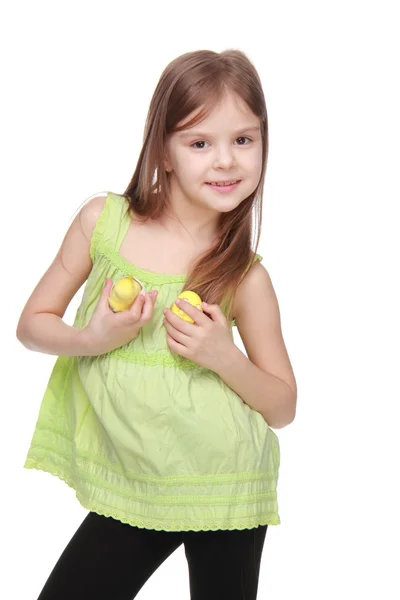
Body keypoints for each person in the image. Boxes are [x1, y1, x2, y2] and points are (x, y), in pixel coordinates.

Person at [16, 48, 297, 600]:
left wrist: (223, 355)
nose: (226, 161)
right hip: (134, 478)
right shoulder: (104, 223)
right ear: (163, 152)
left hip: (223, 485)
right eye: (199, 143)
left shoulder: (245, 276)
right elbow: (31, 324)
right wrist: (91, 339)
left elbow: (283, 407)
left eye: (244, 139)